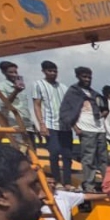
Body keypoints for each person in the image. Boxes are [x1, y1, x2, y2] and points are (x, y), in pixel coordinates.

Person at [58, 67, 106, 193]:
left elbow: (103, 106)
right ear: (78, 76)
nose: (87, 79)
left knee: (103, 158)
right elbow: (66, 111)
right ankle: (89, 185)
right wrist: (75, 127)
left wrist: (104, 113)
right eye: (84, 77)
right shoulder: (73, 91)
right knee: (88, 158)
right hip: (85, 128)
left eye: (89, 77)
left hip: (99, 127)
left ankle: (106, 183)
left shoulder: (94, 93)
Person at [32, 60, 72, 188]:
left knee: (67, 155)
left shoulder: (63, 87)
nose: (53, 73)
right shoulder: (39, 85)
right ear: (44, 71)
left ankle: (67, 182)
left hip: (65, 126)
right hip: (49, 124)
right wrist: (41, 124)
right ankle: (57, 180)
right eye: (50, 71)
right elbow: (37, 105)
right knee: (54, 153)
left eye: (55, 71)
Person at [0, 61, 35, 143]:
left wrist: (33, 125)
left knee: (32, 154)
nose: (14, 74)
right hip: (15, 127)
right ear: (4, 72)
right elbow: (4, 104)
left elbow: (24, 108)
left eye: (15, 72)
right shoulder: (1, 86)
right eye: (11, 72)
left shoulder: (20, 86)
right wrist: (15, 91)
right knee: (21, 152)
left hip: (28, 127)